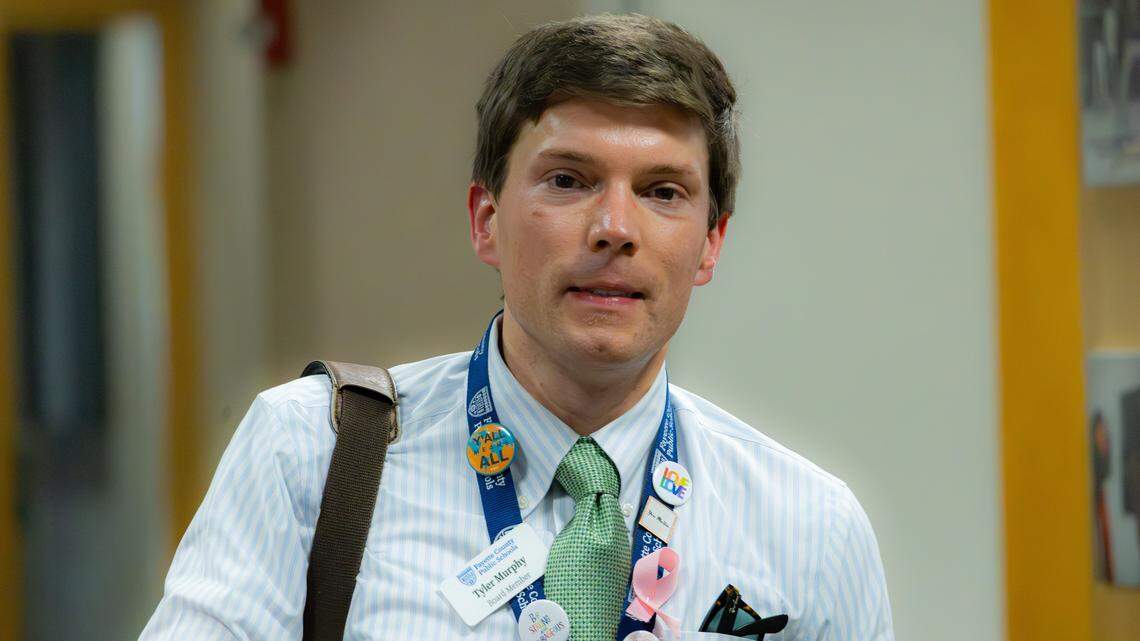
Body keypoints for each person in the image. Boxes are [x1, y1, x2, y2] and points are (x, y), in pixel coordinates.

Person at [139, 13, 893, 641]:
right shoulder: (310, 454)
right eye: (568, 180)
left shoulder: (811, 527)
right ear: (486, 220)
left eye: (663, 191)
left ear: (711, 243)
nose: (614, 228)